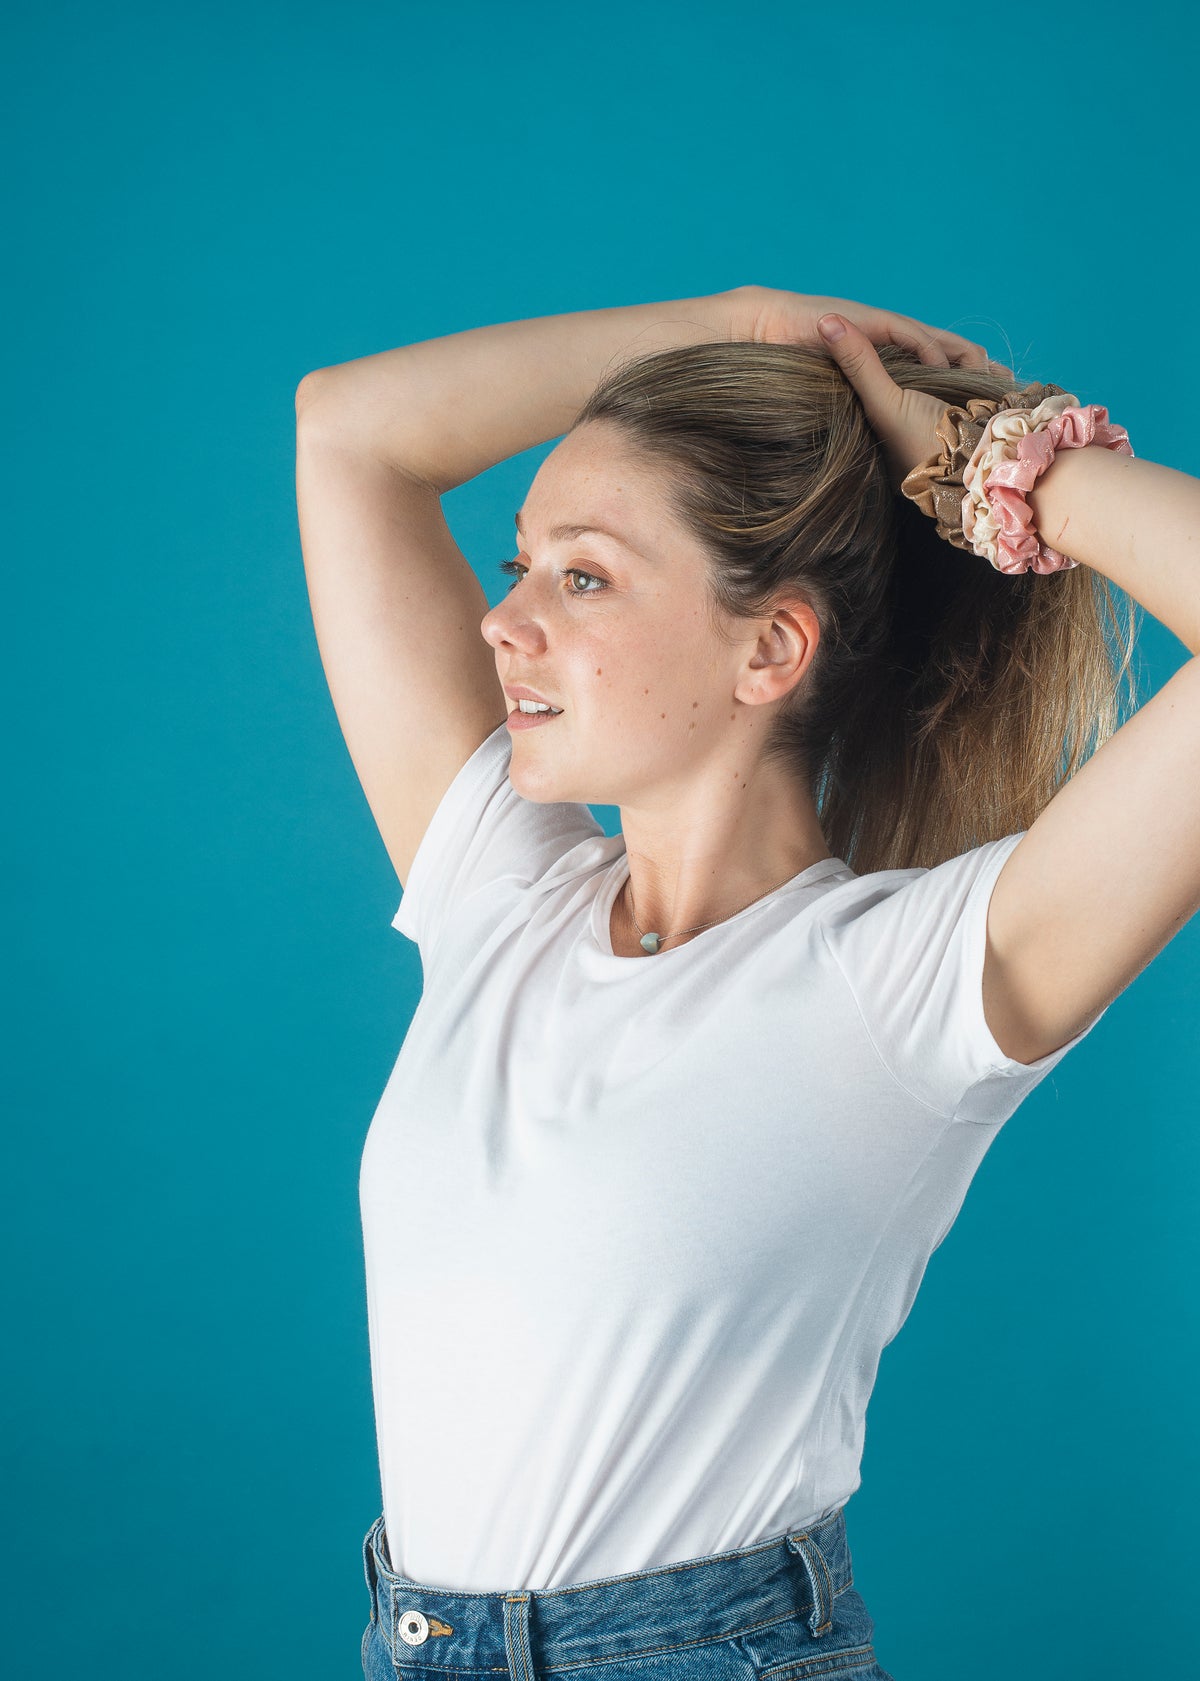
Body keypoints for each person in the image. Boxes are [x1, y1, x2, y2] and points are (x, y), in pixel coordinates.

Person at [294, 287, 1200, 1681]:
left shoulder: (902, 984)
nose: (502, 622)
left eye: (580, 577)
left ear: (772, 646)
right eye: (518, 562)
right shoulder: (500, 895)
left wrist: (1004, 472)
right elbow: (347, 429)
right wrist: (748, 328)